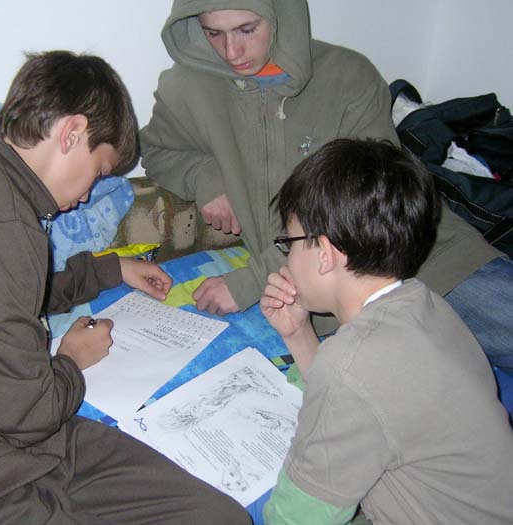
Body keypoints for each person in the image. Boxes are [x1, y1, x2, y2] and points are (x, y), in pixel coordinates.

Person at [0, 51, 251, 525]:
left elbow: (4, 298)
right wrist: (72, 360)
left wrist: (108, 271)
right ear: (72, 133)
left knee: (217, 515)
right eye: (98, 171)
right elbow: (25, 414)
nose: (86, 195)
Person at [140, 0, 513, 373]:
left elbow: (368, 208)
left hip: (431, 260)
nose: (231, 51)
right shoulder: (186, 87)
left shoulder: (348, 75)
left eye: (247, 29)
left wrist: (252, 281)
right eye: (213, 33)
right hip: (323, 291)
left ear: (278, 14)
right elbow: (156, 149)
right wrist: (206, 178)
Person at [259, 138, 513, 524]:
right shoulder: (423, 303)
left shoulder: (354, 364)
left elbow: (296, 518)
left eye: (288, 243)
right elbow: (362, 397)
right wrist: (297, 333)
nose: (288, 259)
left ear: (324, 254)